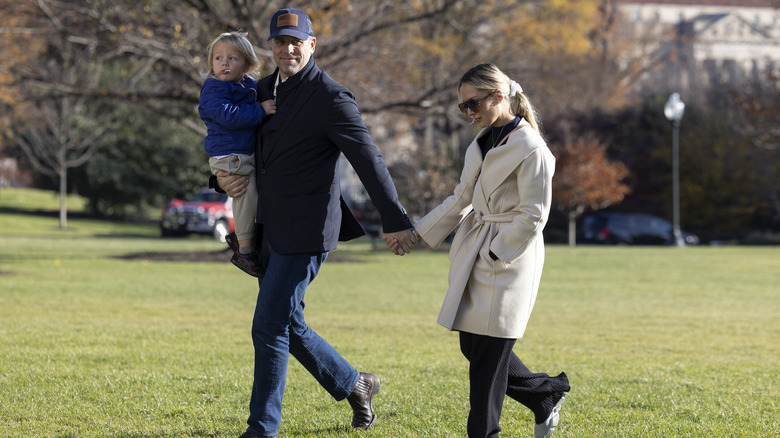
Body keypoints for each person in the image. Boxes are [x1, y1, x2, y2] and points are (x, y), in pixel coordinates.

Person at [212, 8, 417, 438]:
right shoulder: (260, 90)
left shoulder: (332, 97)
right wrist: (217, 177)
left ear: (311, 45)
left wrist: (395, 220)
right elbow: (233, 141)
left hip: (306, 232)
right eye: (280, 41)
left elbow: (368, 160)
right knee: (289, 322)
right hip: (266, 228)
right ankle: (356, 384)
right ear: (270, 46)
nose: (288, 49)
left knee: (268, 324)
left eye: (296, 41)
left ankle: (261, 429)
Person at [395, 63, 570, 438]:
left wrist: (496, 251)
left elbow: (534, 215)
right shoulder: (481, 142)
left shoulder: (532, 149)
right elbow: (461, 198)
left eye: (474, 104)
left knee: (487, 366)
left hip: (508, 259)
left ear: (498, 96)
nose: (470, 113)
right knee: (473, 347)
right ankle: (545, 394)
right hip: (478, 249)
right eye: (464, 107)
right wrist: (416, 233)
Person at [199, 31, 276, 277]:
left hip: (241, 152)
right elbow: (228, 116)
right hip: (229, 154)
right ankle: (244, 251)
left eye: (232, 58)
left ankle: (242, 241)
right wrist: (260, 110)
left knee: (251, 196)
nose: (224, 63)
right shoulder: (213, 88)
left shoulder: (249, 85)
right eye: (218, 58)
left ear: (247, 64)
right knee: (247, 195)